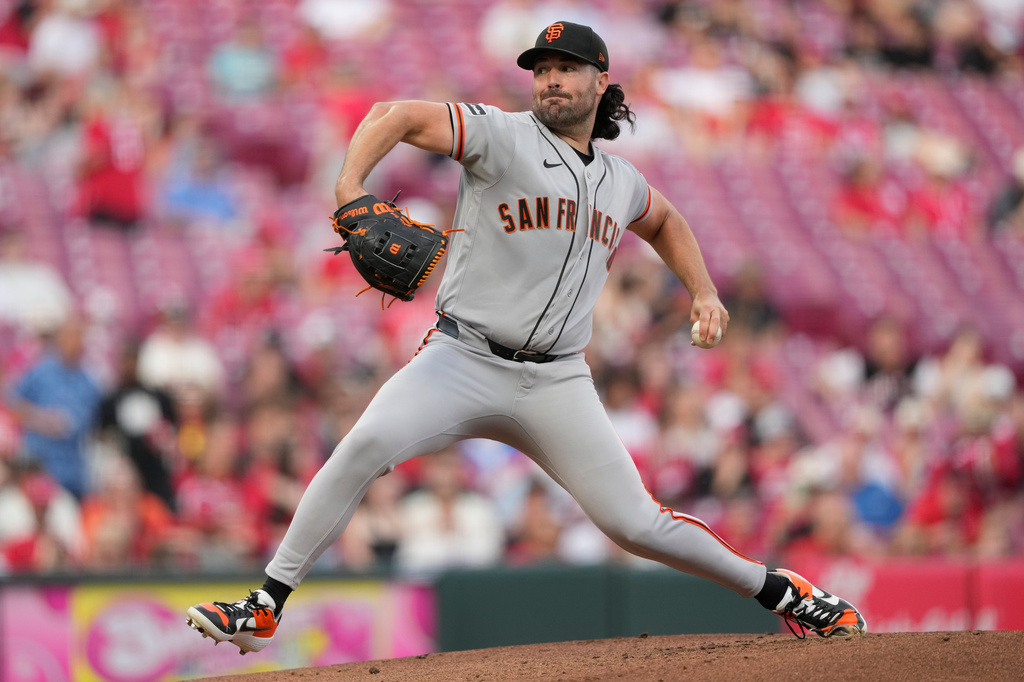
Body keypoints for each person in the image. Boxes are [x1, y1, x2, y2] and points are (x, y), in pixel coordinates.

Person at [186, 21, 866, 655]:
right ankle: (266, 603)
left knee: (636, 524)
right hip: (461, 356)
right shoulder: (499, 134)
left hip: (557, 382)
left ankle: (785, 592)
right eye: (542, 68)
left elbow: (666, 223)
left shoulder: (621, 181)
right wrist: (348, 184)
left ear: (601, 82)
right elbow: (392, 114)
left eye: (566, 67)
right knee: (362, 445)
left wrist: (705, 291)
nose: (550, 79)